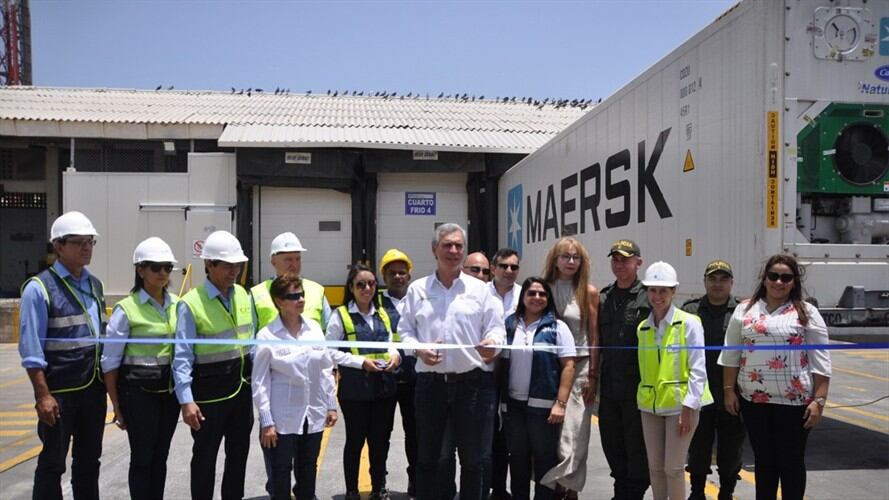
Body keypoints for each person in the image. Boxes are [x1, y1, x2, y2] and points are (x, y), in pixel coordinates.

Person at [398, 223, 505, 500]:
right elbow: (405, 332)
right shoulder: (417, 290)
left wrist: (492, 344)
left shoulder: (482, 291)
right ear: (434, 249)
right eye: (447, 245)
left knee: (474, 461)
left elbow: (497, 329)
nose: (454, 250)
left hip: (473, 385)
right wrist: (419, 350)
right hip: (430, 385)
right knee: (433, 458)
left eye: (459, 245)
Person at [719, 254, 831, 500]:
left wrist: (819, 400)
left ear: (794, 282)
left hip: (794, 403)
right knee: (764, 462)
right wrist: (729, 390)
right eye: (774, 276)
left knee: (790, 463)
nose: (778, 282)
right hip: (753, 401)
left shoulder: (807, 312)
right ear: (765, 278)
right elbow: (731, 354)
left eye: (786, 277)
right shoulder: (745, 309)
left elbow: (821, 361)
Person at [18, 211, 107, 500]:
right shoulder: (39, 288)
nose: (86, 247)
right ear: (58, 246)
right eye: (78, 242)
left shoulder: (94, 285)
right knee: (53, 464)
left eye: (90, 241)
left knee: (88, 463)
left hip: (92, 390)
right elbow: (31, 349)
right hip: (59, 392)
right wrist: (43, 396)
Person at [173, 230, 255, 500]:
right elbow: (182, 356)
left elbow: (251, 344)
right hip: (208, 398)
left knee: (238, 458)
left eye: (237, 265)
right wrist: (186, 401)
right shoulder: (190, 304)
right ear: (209, 265)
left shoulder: (243, 295)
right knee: (205, 459)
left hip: (241, 394)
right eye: (227, 265)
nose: (234, 271)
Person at [102, 237, 180, 500]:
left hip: (168, 396)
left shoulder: (177, 305)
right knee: (143, 458)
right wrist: (116, 404)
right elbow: (110, 362)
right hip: (138, 397)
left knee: (161, 457)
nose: (162, 273)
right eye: (156, 267)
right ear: (140, 270)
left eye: (167, 268)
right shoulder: (127, 309)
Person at [252, 273, 338, 500]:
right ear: (279, 302)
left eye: (301, 294)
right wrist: (267, 421)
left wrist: (331, 405)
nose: (300, 299)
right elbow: (260, 382)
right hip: (282, 418)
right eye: (293, 296)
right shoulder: (267, 335)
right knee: (281, 473)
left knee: (308, 470)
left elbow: (325, 368)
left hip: (313, 414)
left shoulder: (314, 330)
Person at [636, 261, 712, 500]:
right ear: (646, 291)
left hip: (681, 406)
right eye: (652, 290)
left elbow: (699, 369)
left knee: (674, 468)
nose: (657, 296)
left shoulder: (689, 323)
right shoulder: (643, 328)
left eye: (663, 291)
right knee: (655, 468)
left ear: (673, 291)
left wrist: (689, 407)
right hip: (650, 406)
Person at [326, 264, 402, 500]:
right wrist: (360, 363)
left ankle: (379, 487)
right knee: (356, 440)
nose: (367, 288)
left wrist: (395, 356)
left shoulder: (381, 314)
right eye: (360, 284)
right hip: (355, 389)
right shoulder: (341, 315)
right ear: (351, 288)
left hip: (384, 387)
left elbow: (390, 342)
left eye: (371, 283)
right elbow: (329, 351)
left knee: (380, 441)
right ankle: (352, 490)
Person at [502, 277, 576, 500]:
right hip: (513, 406)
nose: (536, 298)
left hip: (544, 410)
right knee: (517, 458)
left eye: (542, 294)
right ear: (523, 297)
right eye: (531, 293)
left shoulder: (558, 327)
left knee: (544, 460)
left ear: (548, 298)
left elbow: (569, 366)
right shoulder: (509, 325)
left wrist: (560, 403)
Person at [539, 236, 600, 499]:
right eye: (566, 256)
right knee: (549, 432)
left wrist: (593, 375)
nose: (571, 262)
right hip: (548, 368)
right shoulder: (543, 289)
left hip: (581, 367)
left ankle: (569, 486)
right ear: (555, 259)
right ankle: (551, 486)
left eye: (576, 257)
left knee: (575, 433)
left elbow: (595, 335)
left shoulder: (588, 291)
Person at [683, 260, 745, 500]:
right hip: (700, 392)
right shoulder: (690, 311)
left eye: (723, 279)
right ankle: (697, 491)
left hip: (733, 394)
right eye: (713, 279)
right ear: (705, 282)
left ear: (731, 282)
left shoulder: (742, 311)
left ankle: (726, 492)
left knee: (731, 450)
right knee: (698, 448)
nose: (718, 284)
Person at [597, 239, 651, 500]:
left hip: (637, 388)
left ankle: (633, 494)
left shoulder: (648, 296)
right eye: (615, 259)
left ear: (638, 263)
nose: (619, 264)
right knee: (613, 445)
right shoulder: (604, 297)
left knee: (637, 449)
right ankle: (621, 492)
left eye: (625, 259)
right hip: (609, 390)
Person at [377, 248, 419, 498]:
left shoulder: (418, 301)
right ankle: (379, 482)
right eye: (392, 273)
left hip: (414, 379)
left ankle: (415, 481)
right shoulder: (376, 303)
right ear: (384, 276)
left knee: (415, 435)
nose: (397, 277)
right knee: (381, 435)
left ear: (409, 276)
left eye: (402, 273)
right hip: (385, 379)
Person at [488, 247, 523, 500]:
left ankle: (507, 489)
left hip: (514, 373)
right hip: (485, 372)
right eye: (503, 266)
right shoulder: (480, 294)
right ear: (493, 268)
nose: (509, 271)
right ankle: (489, 488)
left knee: (509, 438)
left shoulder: (526, 295)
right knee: (486, 436)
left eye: (514, 267)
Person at [251, 232, 331, 330]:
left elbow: (330, 334)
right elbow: (249, 336)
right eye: (288, 259)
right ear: (273, 261)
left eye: (298, 259)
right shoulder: (257, 294)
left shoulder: (317, 291)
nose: (294, 264)